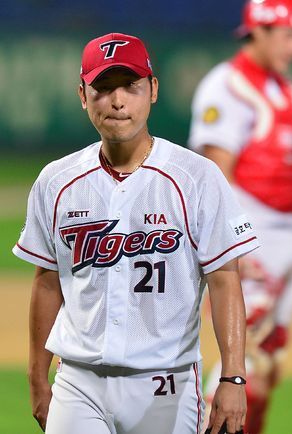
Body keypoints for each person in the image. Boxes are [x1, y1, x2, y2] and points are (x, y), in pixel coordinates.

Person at [13, 32, 259, 434]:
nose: (118, 100)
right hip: (78, 382)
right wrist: (36, 376)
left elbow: (224, 278)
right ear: (83, 95)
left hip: (167, 385)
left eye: (130, 85)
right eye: (103, 87)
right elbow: (47, 281)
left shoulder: (196, 177)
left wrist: (233, 377)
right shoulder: (56, 181)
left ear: (153, 90)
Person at [188, 1, 292, 432]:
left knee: (268, 365)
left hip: (287, 237)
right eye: (288, 36)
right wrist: (230, 245)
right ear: (258, 31)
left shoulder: (291, 91)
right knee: (241, 360)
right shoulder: (227, 86)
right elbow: (216, 175)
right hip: (252, 232)